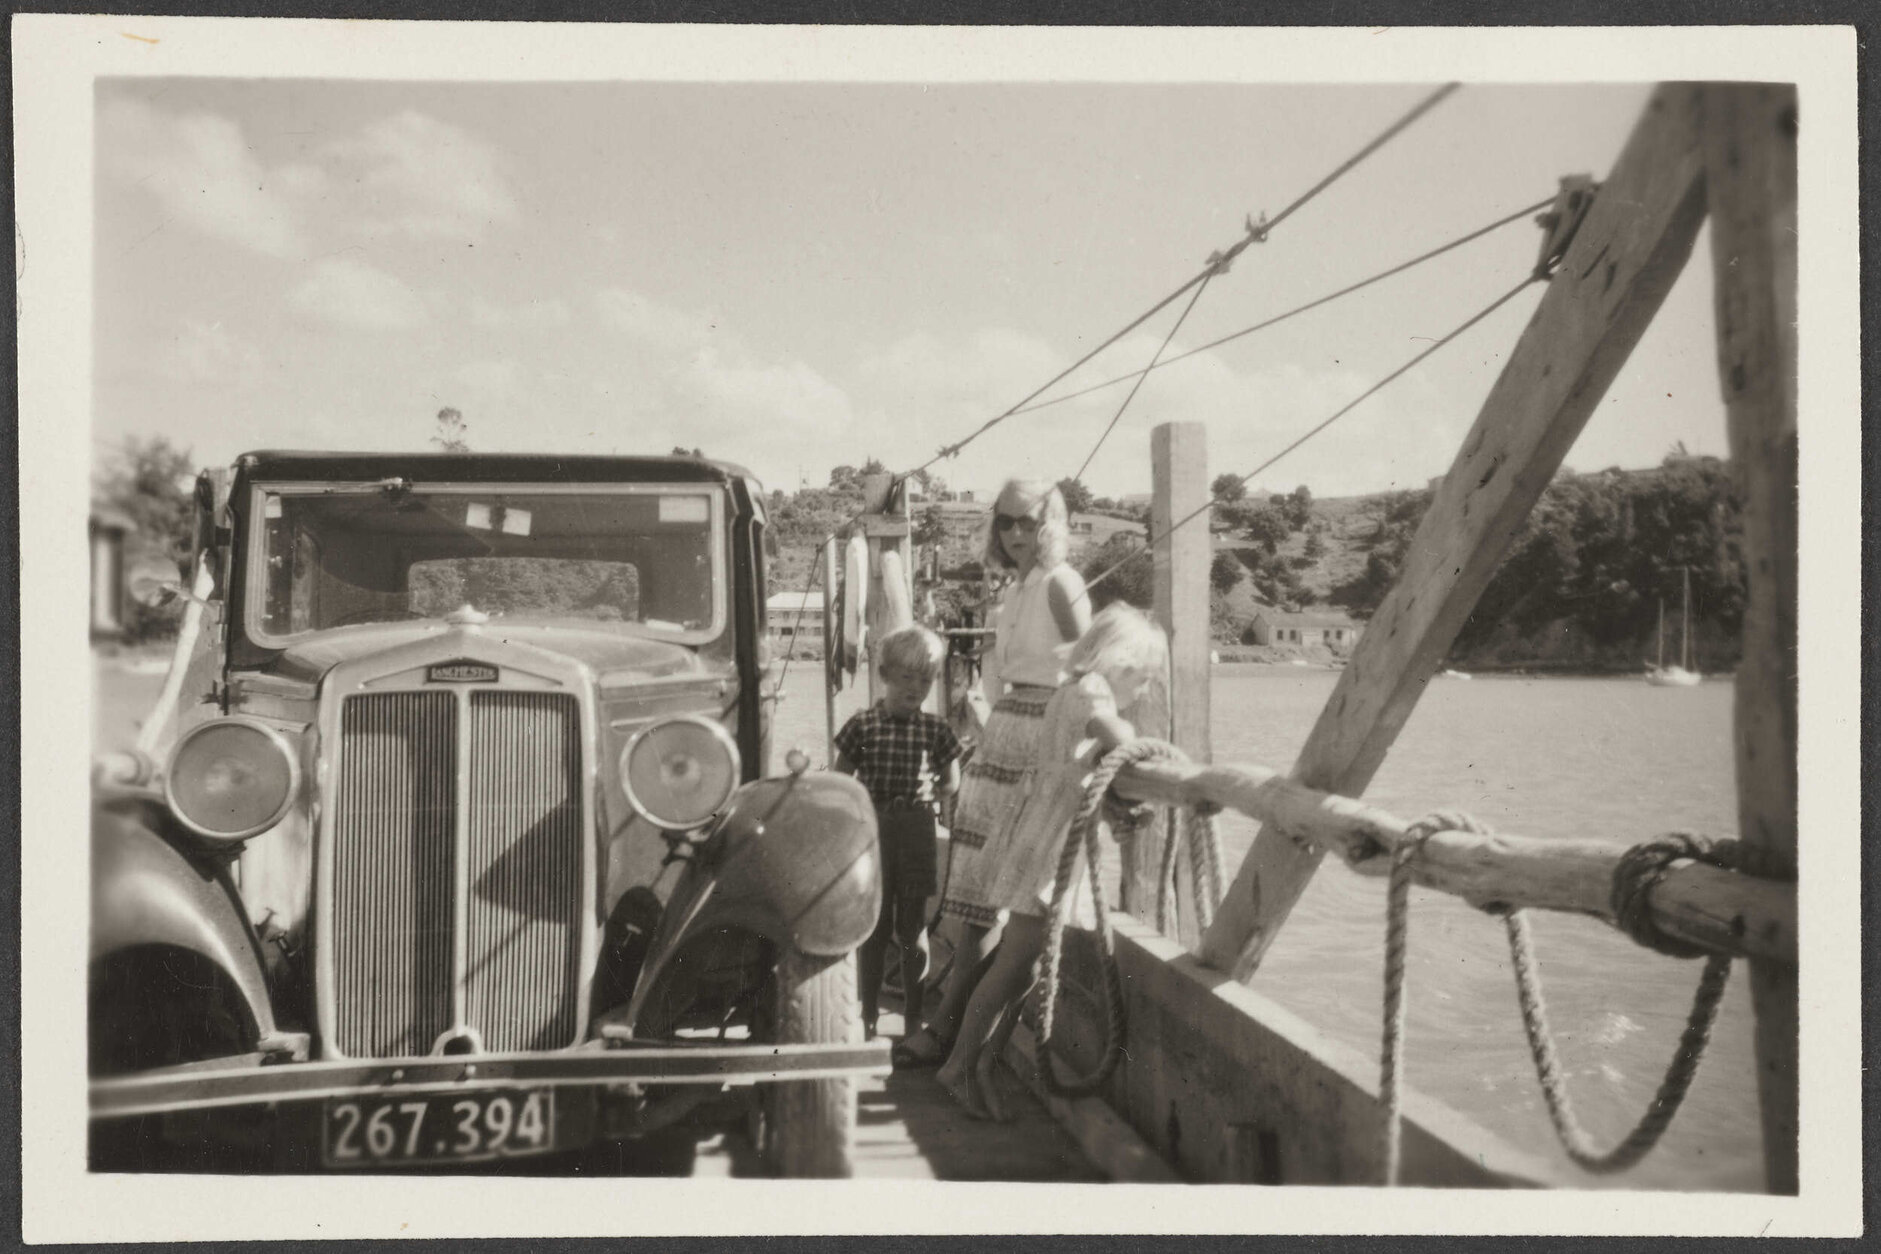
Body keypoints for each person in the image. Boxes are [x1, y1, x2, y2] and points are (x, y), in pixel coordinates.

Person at [934, 603, 1168, 1120]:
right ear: (1119, 662)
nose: (1146, 691)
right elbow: (1119, 738)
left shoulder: (1071, 690)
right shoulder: (1090, 691)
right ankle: (958, 1065)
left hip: (1050, 837)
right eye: (1144, 678)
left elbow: (1077, 766)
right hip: (1043, 844)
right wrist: (1154, 752)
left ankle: (982, 1066)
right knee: (1016, 963)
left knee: (1030, 968)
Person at [892, 479, 1090, 1070]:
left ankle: (951, 1037)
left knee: (1018, 903)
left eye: (1028, 522)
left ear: (1051, 522)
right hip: (1002, 738)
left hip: (1045, 743)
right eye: (1005, 522)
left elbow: (1094, 667)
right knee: (973, 899)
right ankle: (945, 1031)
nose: (1015, 533)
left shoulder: (1061, 583)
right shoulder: (1014, 591)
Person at [832, 625, 963, 1041]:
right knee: (872, 930)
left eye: (925, 679)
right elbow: (843, 781)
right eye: (906, 677)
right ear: (884, 674)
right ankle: (868, 1018)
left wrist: (928, 800)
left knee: (912, 929)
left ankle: (911, 1020)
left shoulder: (937, 730)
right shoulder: (862, 725)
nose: (916, 687)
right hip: (873, 830)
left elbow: (951, 782)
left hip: (917, 830)